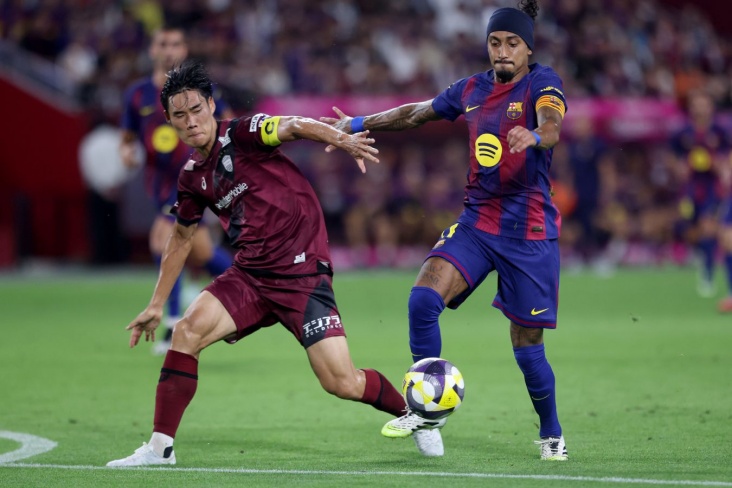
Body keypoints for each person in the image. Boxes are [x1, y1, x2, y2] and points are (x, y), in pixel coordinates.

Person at [106, 60, 429, 467]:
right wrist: (156, 304)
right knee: (186, 332)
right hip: (251, 276)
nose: (190, 121)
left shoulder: (242, 133)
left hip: (302, 274)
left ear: (211, 105)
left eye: (196, 109)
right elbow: (182, 238)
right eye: (179, 115)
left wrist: (342, 139)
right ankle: (160, 449)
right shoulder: (191, 177)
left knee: (341, 382)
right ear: (169, 121)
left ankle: (417, 416)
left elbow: (294, 124)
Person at [322, 0, 568, 461]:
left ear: (528, 49)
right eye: (495, 42)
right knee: (422, 300)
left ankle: (552, 433)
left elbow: (552, 122)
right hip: (477, 222)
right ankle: (428, 413)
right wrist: (355, 123)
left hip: (529, 231)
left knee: (527, 346)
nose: (502, 51)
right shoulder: (471, 88)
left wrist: (536, 135)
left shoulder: (543, 82)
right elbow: (416, 113)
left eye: (512, 43)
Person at [120, 24, 234, 354]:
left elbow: (228, 123)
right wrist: (126, 152)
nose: (169, 50)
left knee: (163, 238)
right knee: (201, 252)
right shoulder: (137, 94)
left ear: (184, 50)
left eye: (175, 44)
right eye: (163, 44)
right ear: (153, 50)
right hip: (160, 184)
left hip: (195, 175)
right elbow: (127, 137)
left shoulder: (201, 90)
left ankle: (172, 324)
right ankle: (257, 286)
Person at [669, 89, 731, 301]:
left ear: (711, 107)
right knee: (691, 230)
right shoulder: (682, 133)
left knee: (709, 227)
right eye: (697, 104)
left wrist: (715, 164)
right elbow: (673, 159)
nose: (700, 108)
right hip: (689, 189)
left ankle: (708, 274)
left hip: (713, 188)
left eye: (704, 104)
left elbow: (726, 161)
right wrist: (680, 167)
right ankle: (703, 259)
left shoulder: (720, 132)